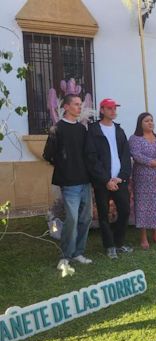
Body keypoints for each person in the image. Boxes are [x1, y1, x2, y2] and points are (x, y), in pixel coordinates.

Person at [43, 94, 93, 271]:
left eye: (81, 104)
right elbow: (48, 155)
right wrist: (65, 167)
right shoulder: (57, 129)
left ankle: (78, 253)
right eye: (76, 104)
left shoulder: (82, 129)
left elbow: (87, 154)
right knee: (71, 219)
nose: (80, 108)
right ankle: (65, 256)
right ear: (66, 107)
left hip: (85, 181)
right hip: (69, 183)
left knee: (85, 218)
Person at [85, 98, 133, 259]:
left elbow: (126, 156)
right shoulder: (93, 130)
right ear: (102, 110)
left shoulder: (119, 131)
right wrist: (106, 180)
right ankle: (109, 246)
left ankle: (118, 243)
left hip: (119, 181)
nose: (113, 111)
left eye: (114, 108)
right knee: (104, 215)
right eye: (110, 108)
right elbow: (91, 158)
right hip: (102, 182)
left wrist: (120, 177)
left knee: (125, 211)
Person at [129, 112, 156, 249]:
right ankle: (143, 237)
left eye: (152, 120)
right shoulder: (135, 139)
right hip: (143, 178)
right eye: (147, 121)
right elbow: (137, 156)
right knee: (144, 205)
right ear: (140, 123)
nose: (150, 123)